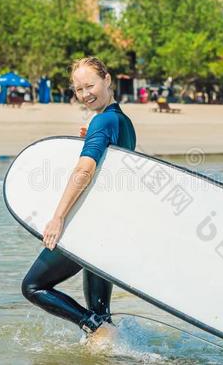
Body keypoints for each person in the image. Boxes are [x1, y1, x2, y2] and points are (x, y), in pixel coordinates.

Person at [21, 56, 137, 341]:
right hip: (110, 227)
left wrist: (58, 217)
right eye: (78, 89)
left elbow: (85, 170)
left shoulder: (103, 121)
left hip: (89, 226)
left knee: (33, 286)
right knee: (103, 315)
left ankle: (92, 327)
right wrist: (93, 137)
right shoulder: (123, 121)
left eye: (90, 85)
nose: (85, 94)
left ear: (107, 80)